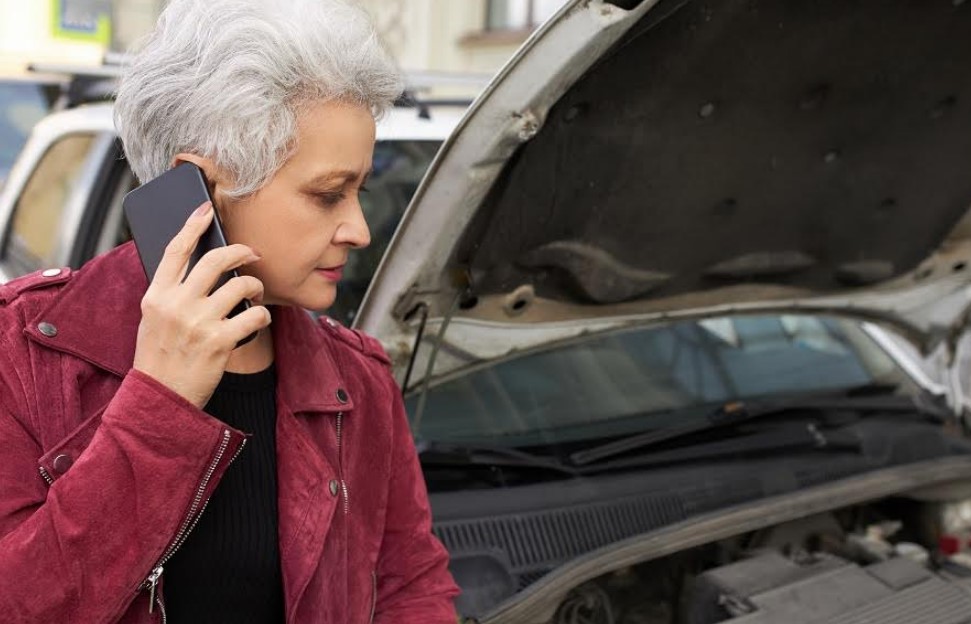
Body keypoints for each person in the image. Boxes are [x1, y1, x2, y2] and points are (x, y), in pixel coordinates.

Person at [0, 0, 460, 622]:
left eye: (361, 192)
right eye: (327, 195)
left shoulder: (359, 382)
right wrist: (161, 401)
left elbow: (412, 588)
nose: (358, 229)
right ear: (200, 189)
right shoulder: (20, 355)